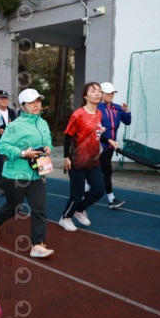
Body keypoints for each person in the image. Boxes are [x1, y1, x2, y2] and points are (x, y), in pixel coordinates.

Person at [0, 89, 54, 257]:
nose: (36, 105)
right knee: (13, 208)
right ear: (23, 106)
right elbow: (3, 147)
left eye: (38, 101)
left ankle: (37, 245)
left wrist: (48, 147)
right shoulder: (15, 125)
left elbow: (48, 140)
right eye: (32, 102)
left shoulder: (43, 123)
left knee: (39, 209)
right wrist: (23, 153)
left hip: (37, 174)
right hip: (15, 175)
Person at [59, 83, 118, 232]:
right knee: (77, 194)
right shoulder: (78, 114)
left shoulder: (98, 114)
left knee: (98, 190)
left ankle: (79, 210)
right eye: (93, 91)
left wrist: (108, 140)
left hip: (93, 160)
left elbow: (94, 133)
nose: (97, 93)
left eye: (99, 91)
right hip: (77, 161)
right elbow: (68, 136)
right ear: (85, 96)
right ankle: (65, 217)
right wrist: (66, 157)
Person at [98, 82, 131, 209]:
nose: (111, 95)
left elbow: (127, 122)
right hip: (100, 144)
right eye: (108, 93)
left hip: (112, 145)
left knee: (100, 170)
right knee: (107, 170)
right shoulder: (97, 108)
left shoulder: (117, 108)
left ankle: (86, 188)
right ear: (101, 94)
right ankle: (111, 199)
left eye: (112, 93)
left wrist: (126, 111)